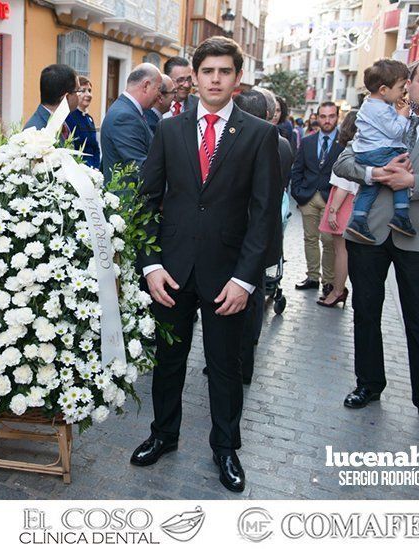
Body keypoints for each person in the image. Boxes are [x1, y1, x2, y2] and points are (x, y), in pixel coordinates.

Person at [130, 36, 282, 493]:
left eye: (224, 71)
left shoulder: (259, 134)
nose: (215, 79)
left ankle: (226, 448)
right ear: (193, 78)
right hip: (172, 272)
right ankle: (163, 435)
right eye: (207, 71)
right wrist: (150, 263)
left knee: (225, 366)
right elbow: (145, 200)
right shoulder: (169, 130)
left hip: (227, 277)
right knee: (169, 361)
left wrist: (246, 280)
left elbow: (264, 215)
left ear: (237, 79)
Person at [333, 58, 419, 432]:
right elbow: (345, 160)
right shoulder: (375, 112)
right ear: (407, 84)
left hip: (418, 236)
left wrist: (412, 182)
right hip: (369, 233)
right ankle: (368, 384)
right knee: (365, 310)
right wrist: (373, 173)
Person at [233, 89, 293, 383]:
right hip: (259, 235)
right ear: (268, 115)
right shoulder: (281, 144)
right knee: (253, 294)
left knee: (246, 295)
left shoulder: (268, 144)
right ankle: (244, 357)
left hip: (244, 233)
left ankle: (239, 360)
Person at [346, 59, 414, 244]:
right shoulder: (381, 109)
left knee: (370, 187)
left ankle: (358, 219)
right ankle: (401, 214)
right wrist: (402, 116)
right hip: (380, 151)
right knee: (401, 174)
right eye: (401, 87)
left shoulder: (369, 105)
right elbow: (396, 131)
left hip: (366, 153)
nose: (403, 92)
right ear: (384, 89)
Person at [290, 101, 343, 298]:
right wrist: (298, 192)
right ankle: (312, 277)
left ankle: (328, 282)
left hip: (332, 200)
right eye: (323, 116)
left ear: (337, 117)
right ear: (317, 118)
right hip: (309, 197)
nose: (327, 120)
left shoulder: (344, 143)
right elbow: (297, 169)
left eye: (331, 116)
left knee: (329, 242)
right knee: (310, 239)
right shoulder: (307, 141)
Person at [317, 111, 359, 308]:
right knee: (341, 250)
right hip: (349, 202)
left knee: (341, 251)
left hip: (342, 203)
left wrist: (333, 210)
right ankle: (338, 288)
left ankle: (337, 290)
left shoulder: (351, 151)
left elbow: (344, 183)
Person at [100, 63, 162, 182]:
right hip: (127, 197)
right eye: (158, 89)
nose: (159, 96)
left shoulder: (128, 110)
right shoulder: (124, 117)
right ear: (146, 86)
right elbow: (140, 167)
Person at [23, 64, 80, 134]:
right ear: (66, 97)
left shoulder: (59, 121)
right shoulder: (35, 133)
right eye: (78, 91)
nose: (79, 95)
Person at [65, 76, 101, 169]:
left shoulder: (89, 119)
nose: (88, 94)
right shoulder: (69, 117)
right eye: (83, 90)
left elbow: (95, 148)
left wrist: (96, 167)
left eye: (89, 90)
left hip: (94, 170)